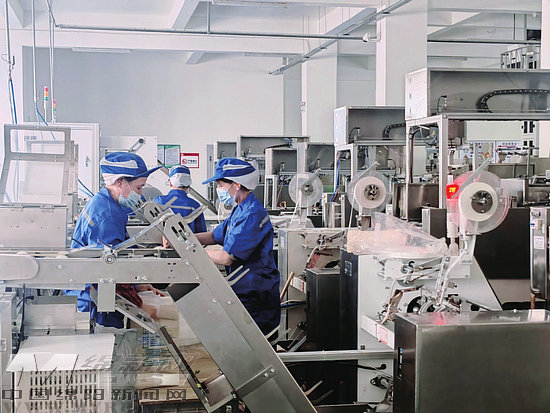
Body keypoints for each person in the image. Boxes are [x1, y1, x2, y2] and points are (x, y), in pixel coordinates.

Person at [66, 152, 163, 328]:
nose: (140, 195)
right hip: (95, 299)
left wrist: (138, 286)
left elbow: (119, 252)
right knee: (106, 337)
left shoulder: (105, 202)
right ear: (120, 182)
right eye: (139, 188)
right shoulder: (107, 215)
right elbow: (111, 268)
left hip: (97, 291)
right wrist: (141, 306)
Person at [195, 158, 280, 335]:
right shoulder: (240, 209)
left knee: (256, 344)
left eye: (221, 185)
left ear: (236, 185)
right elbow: (214, 235)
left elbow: (227, 258)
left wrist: (193, 251)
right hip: (244, 287)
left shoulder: (251, 213)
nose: (219, 190)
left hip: (255, 292)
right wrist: (184, 238)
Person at [152, 165, 206, 243]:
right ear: (188, 185)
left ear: (170, 183)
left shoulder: (158, 201)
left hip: (161, 245)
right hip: (189, 246)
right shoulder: (195, 205)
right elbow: (202, 233)